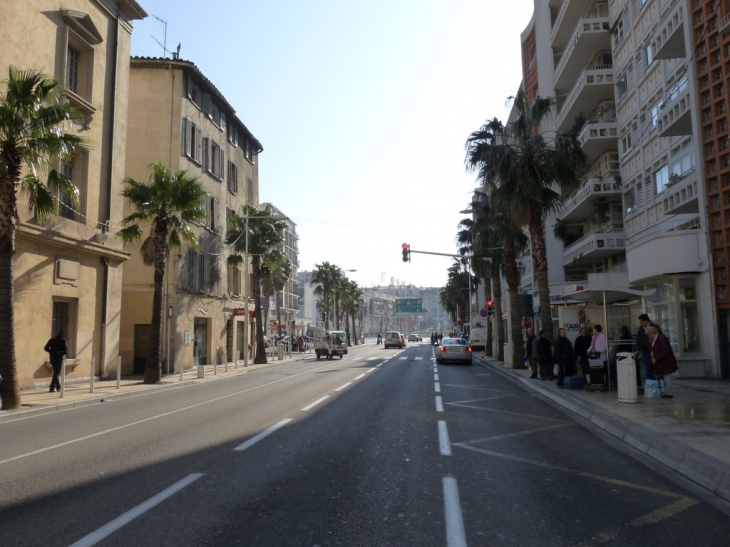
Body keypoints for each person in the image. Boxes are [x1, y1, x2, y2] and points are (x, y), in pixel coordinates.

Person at [646, 325, 678, 398]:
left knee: (667, 377)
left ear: (652, 333)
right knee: (665, 376)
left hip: (666, 361)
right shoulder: (656, 339)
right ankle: (667, 391)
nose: (649, 337)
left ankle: (669, 393)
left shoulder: (661, 338)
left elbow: (665, 351)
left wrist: (656, 358)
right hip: (661, 362)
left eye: (649, 335)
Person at [635, 314, 661, 385]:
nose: (640, 323)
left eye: (641, 321)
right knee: (647, 368)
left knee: (656, 369)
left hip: (654, 351)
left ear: (645, 320)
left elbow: (659, 338)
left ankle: (659, 384)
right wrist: (637, 349)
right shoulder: (641, 328)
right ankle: (650, 384)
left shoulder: (655, 327)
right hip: (645, 351)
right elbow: (638, 339)